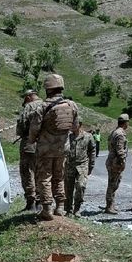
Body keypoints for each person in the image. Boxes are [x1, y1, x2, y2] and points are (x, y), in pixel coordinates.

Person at [28, 74, 79, 220]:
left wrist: (32, 141)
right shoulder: (72, 105)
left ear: (47, 88)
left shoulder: (42, 107)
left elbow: (34, 129)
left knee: (44, 178)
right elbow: (75, 127)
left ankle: (47, 208)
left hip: (45, 149)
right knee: (59, 177)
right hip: (63, 148)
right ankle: (60, 207)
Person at [16, 89, 43, 211]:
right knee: (41, 173)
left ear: (28, 97)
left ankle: (30, 202)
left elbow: (22, 124)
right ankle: (40, 201)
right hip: (45, 145)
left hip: (29, 144)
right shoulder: (46, 104)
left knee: (27, 172)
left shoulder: (29, 106)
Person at [64, 121, 95, 217]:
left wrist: (91, 165)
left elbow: (92, 150)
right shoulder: (68, 137)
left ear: (80, 125)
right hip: (70, 165)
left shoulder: (88, 136)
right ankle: (68, 210)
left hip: (82, 165)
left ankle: (77, 208)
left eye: (74, 124)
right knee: (68, 188)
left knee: (81, 186)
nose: (72, 126)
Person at [104, 114, 130, 214]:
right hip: (116, 162)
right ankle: (109, 206)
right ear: (125, 123)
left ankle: (111, 205)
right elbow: (120, 150)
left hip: (111, 160)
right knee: (113, 184)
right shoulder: (120, 134)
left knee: (113, 183)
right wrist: (122, 162)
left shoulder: (114, 132)